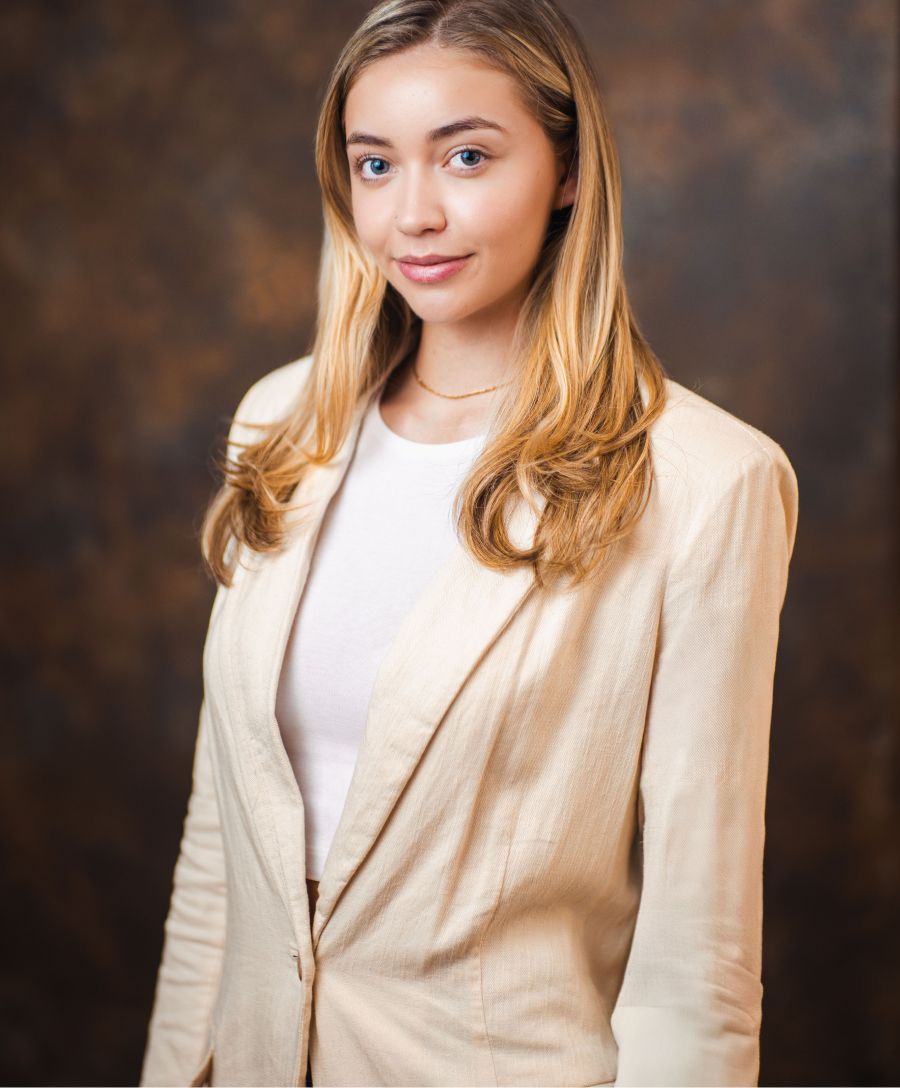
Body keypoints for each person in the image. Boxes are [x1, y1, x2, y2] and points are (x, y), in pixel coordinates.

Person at [139, 0, 799, 1085]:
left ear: (570, 170)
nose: (414, 214)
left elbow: (698, 948)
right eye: (376, 165)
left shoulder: (707, 483)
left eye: (468, 155)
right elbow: (220, 845)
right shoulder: (281, 424)